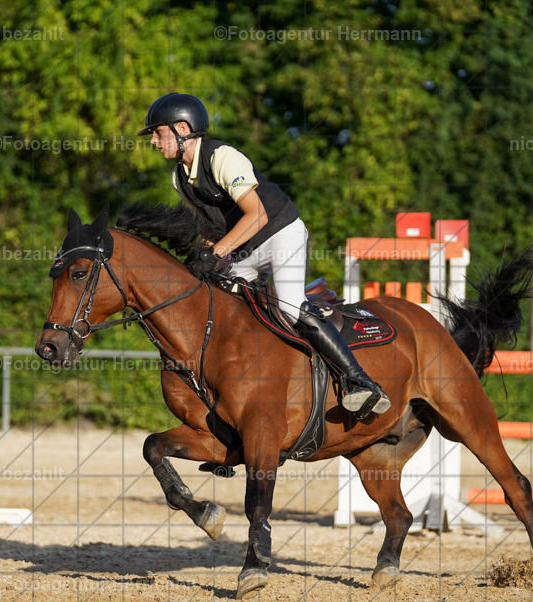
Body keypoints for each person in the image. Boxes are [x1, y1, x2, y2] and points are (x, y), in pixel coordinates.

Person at [138, 93, 390, 419]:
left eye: (158, 133)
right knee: (219, 308)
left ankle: (359, 380)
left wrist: (216, 253)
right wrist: (198, 256)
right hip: (244, 250)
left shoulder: (222, 157)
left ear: (183, 128)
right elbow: (209, 227)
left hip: (280, 234)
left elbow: (256, 216)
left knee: (288, 305)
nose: (154, 142)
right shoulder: (180, 179)